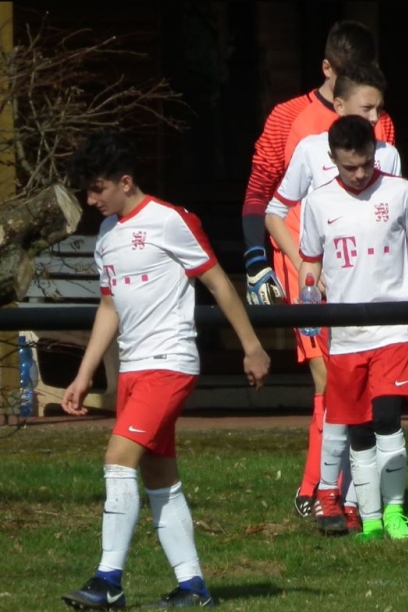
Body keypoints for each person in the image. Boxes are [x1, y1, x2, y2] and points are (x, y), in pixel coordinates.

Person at [60, 131, 270, 609]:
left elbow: (218, 283)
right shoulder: (107, 235)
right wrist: (84, 374)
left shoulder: (171, 220)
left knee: (118, 459)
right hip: (134, 369)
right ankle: (193, 587)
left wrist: (252, 347)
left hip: (170, 363)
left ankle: (108, 581)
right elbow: (109, 307)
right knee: (158, 475)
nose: (91, 200)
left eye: (97, 189)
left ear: (125, 182)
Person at [241, 19, 396, 520]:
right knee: (329, 377)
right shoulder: (289, 119)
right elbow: (260, 195)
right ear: (328, 70)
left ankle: (347, 492)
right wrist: (257, 260)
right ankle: (317, 489)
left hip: (361, 269)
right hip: (305, 266)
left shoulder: (381, 125)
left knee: (356, 378)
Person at [298, 115, 408, 542]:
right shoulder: (318, 202)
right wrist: (309, 297)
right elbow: (309, 263)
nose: (359, 175)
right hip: (345, 335)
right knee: (357, 427)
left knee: (387, 417)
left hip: (393, 329)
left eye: (365, 164)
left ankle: (395, 512)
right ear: (332, 159)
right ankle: (369, 518)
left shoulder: (400, 191)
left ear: (375, 153)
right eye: (349, 167)